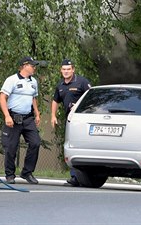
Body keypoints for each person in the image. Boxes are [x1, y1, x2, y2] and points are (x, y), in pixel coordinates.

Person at [0, 56, 42, 184]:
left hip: (28, 118)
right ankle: (10, 175)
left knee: (35, 143)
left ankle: (27, 172)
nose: (34, 68)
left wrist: (37, 113)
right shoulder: (11, 80)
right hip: (14, 117)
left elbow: (34, 98)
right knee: (11, 147)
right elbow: (2, 98)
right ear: (24, 66)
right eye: (32, 65)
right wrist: (7, 116)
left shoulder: (33, 81)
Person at [51, 58, 91, 186]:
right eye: (64, 69)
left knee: (83, 147)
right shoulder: (60, 85)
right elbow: (55, 100)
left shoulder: (82, 82)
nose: (66, 72)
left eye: (68, 69)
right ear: (61, 70)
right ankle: (75, 177)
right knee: (71, 147)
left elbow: (91, 97)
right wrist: (53, 116)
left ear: (73, 70)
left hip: (83, 120)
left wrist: (79, 106)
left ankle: (85, 176)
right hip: (70, 121)